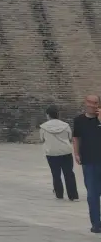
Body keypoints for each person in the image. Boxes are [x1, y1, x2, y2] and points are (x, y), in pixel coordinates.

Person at [73, 95, 101, 232]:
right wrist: (76, 153)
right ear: (85, 103)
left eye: (95, 103)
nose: (92, 105)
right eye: (90, 102)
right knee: (92, 194)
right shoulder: (79, 120)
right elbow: (76, 137)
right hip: (89, 161)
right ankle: (96, 224)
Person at [41, 106, 78, 201]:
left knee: (55, 174)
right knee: (69, 173)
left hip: (52, 153)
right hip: (66, 152)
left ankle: (59, 194)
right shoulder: (65, 125)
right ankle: (73, 195)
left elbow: (42, 139)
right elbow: (70, 137)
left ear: (48, 115)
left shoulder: (43, 127)